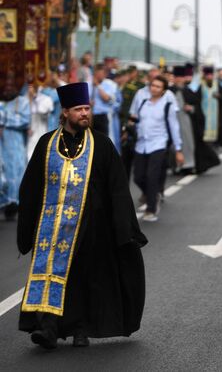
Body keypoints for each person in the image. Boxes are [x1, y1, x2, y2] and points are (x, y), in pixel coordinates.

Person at [17, 82, 147, 349]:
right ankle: (48, 328)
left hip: (92, 227)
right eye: (79, 109)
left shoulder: (101, 144)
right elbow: (31, 187)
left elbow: (118, 188)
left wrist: (124, 228)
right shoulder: (47, 143)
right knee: (51, 274)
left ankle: (80, 328)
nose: (85, 113)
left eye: (87, 108)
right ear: (65, 112)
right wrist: (26, 227)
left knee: (85, 279)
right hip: (51, 229)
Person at [131, 76, 184, 222]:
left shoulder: (167, 106)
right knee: (138, 176)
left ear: (163, 90)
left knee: (151, 176)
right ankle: (151, 194)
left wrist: (178, 149)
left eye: (158, 87)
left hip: (159, 143)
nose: (154, 88)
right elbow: (136, 120)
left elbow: (174, 127)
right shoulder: (143, 102)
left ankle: (151, 209)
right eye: (153, 85)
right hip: (141, 144)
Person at [1, 84, 30, 221]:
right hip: (2, 143)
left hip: (15, 142)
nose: (8, 88)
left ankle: (14, 205)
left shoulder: (22, 101)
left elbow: (25, 120)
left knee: (16, 171)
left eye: (11, 85)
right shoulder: (1, 103)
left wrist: (5, 120)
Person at [90, 64, 118, 150]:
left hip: (102, 116)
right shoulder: (88, 84)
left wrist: (98, 85)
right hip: (90, 116)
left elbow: (106, 98)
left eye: (102, 74)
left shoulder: (109, 85)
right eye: (98, 74)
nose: (100, 76)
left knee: (103, 140)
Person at [26, 83, 54, 161]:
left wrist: (34, 98)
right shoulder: (22, 100)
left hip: (41, 133)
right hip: (27, 137)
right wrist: (30, 100)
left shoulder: (46, 99)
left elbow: (43, 113)